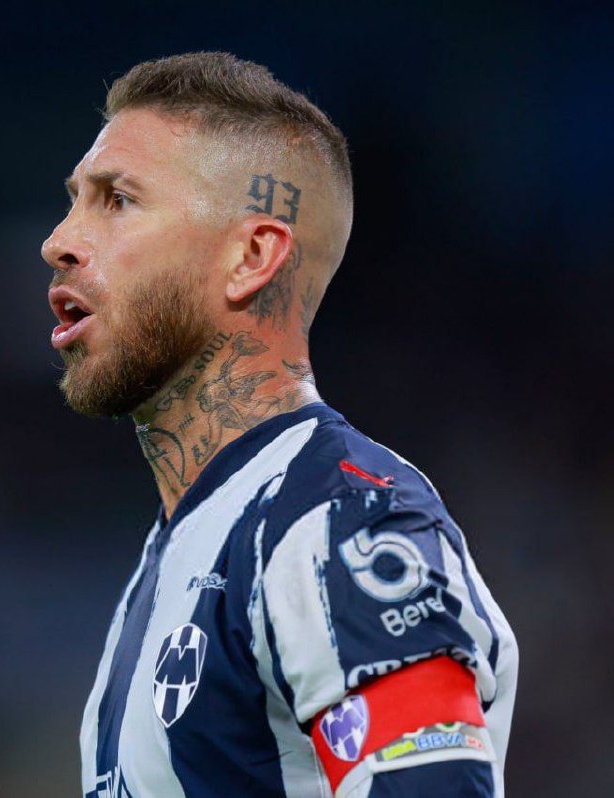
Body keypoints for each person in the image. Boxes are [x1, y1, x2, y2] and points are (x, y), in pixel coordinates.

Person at [41, 52, 517, 798]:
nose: (59, 240)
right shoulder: (185, 544)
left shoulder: (340, 520)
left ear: (251, 257)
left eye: (118, 200)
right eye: (76, 200)